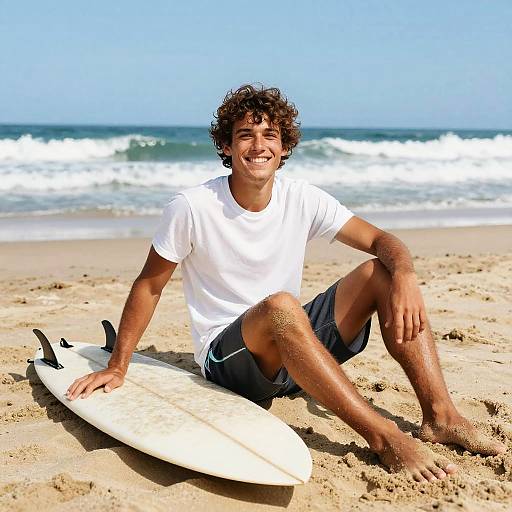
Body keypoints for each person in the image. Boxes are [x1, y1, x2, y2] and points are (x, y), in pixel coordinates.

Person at [67, 84, 506, 482]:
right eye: (245, 135)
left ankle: (440, 415)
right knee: (281, 305)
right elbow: (149, 286)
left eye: (270, 136)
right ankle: (383, 438)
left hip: (295, 354)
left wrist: (405, 275)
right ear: (226, 144)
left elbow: (379, 239)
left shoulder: (302, 198)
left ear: (284, 147)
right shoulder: (192, 207)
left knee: (381, 271)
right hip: (230, 360)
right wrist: (119, 365)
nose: (258, 146)